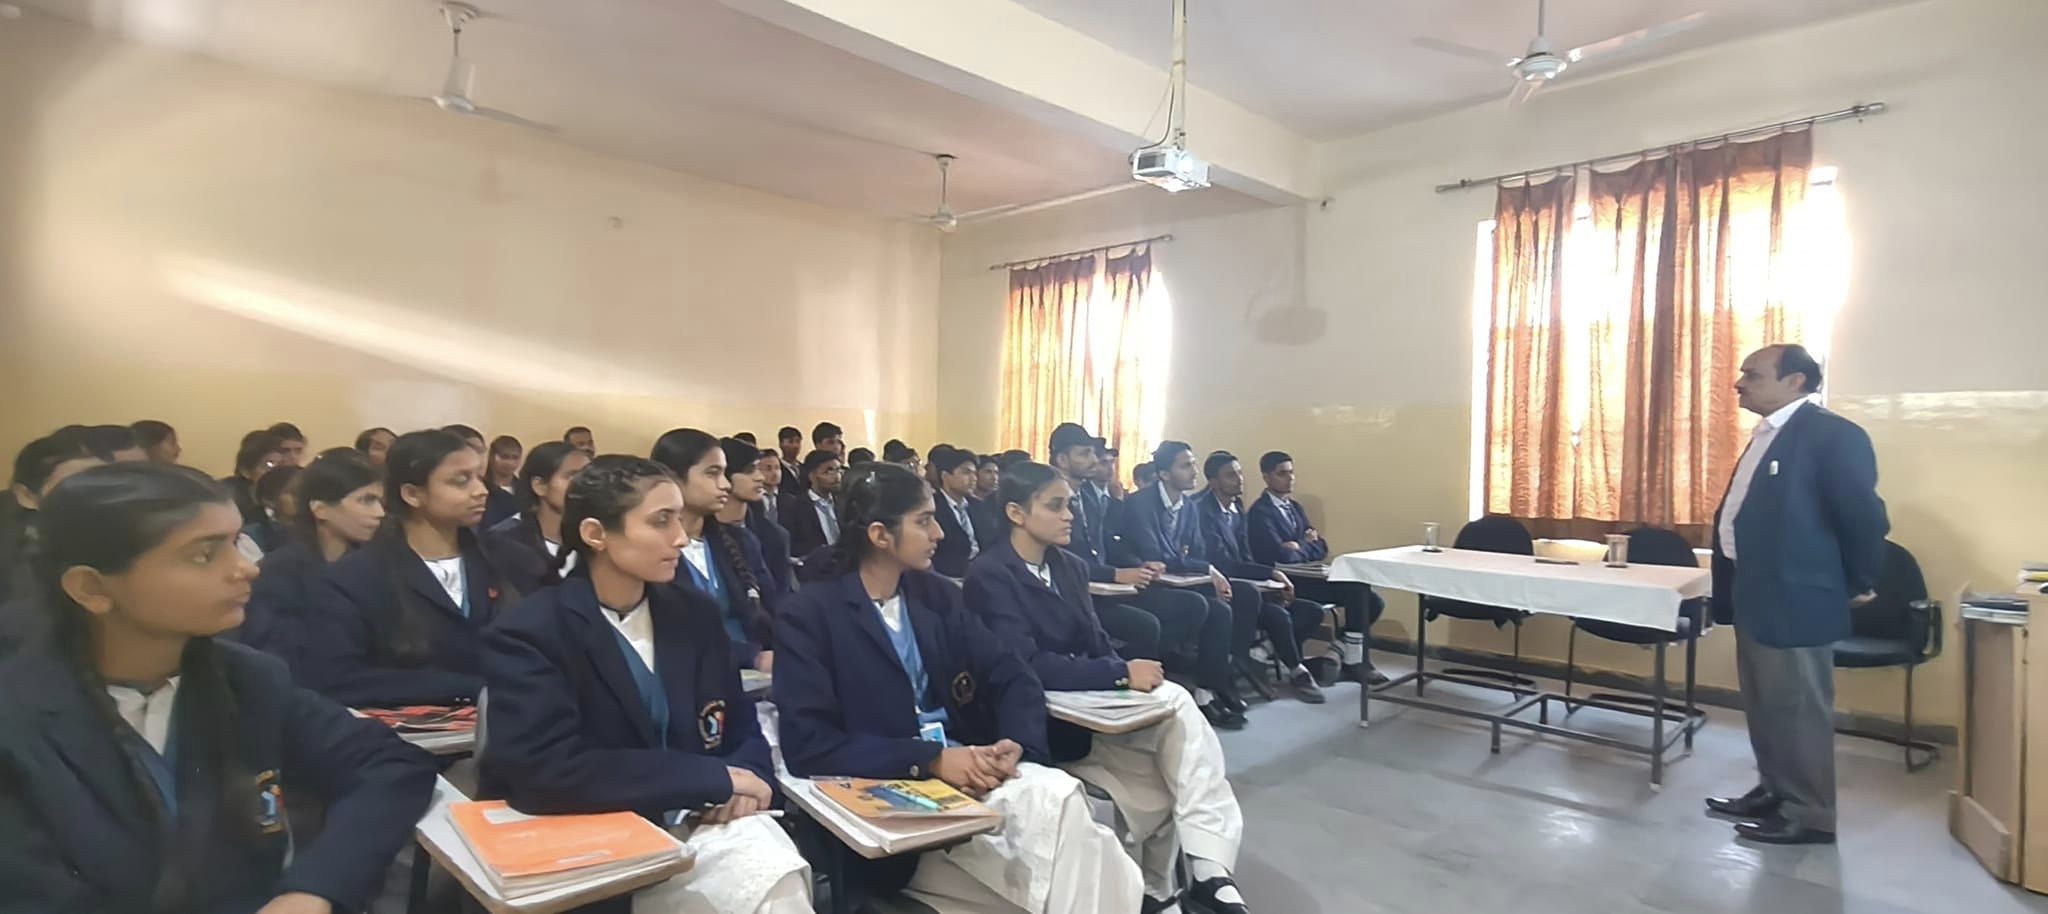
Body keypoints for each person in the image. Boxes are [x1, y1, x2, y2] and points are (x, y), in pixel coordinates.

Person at [0, 462, 435, 914]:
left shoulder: (249, 679)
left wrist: (314, 889)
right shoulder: (18, 715)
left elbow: (390, 765)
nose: (246, 569)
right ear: (91, 588)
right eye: (203, 555)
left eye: (235, 543)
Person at [776, 463, 1143, 912]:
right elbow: (809, 744)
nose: (940, 534)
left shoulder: (937, 597)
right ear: (879, 535)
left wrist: (1015, 743)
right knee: (1087, 855)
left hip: (970, 770)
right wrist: (929, 759)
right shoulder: (811, 615)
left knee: (1065, 805)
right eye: (924, 521)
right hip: (893, 789)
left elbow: (1013, 674)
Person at [479, 456, 810, 914]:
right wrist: (710, 778)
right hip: (593, 841)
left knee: (774, 873)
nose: (680, 537)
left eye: (679, 518)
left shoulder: (694, 615)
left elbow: (739, 727)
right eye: (660, 521)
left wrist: (744, 780)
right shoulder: (532, 631)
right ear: (595, 534)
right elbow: (544, 770)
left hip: (698, 823)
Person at [967, 461, 1248, 914]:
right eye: (1055, 506)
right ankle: (1177, 879)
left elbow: (1096, 642)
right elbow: (1024, 665)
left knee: (1176, 726)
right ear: (1016, 513)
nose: (1069, 515)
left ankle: (1199, 870)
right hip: (1038, 718)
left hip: (1087, 705)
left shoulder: (1070, 567)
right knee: (1162, 764)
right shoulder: (990, 574)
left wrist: (1118, 673)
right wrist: (1118, 675)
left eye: (1070, 505)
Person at [1705, 344, 1888, 846]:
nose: (1740, 383)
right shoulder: (1770, 433)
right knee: (1766, 703)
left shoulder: (1832, 435)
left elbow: (1864, 517)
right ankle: (1775, 791)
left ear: (1796, 381)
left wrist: (1859, 581)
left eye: (1753, 375)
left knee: (1799, 708)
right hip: (1755, 588)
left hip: (1797, 595)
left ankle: (1810, 814)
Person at [298, 429, 512, 708]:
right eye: (461, 481)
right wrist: (469, 687)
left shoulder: (501, 558)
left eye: (479, 477)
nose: (480, 491)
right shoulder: (355, 577)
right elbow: (339, 678)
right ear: (412, 494)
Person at [1049, 424, 1242, 728]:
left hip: (1104, 585)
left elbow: (1108, 547)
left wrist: (1135, 565)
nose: (1095, 460)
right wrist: (1119, 572)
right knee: (1150, 623)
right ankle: (1129, 680)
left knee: (1214, 608)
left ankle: (1206, 687)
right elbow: (1067, 560)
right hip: (1075, 592)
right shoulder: (1055, 499)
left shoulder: (1089, 498)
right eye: (1084, 453)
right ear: (1062, 460)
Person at [1194, 451, 1327, 704]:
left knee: (1311, 611)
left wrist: (1270, 582)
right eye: (1230, 475)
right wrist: (1269, 573)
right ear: (1213, 482)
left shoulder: (1237, 509)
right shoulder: (1203, 512)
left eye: (1240, 473)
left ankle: (1259, 654)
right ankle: (1295, 670)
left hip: (1250, 583)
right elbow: (1222, 562)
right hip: (1222, 586)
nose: (1239, 479)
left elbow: (1246, 555)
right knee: (1277, 615)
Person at [1247, 451, 1386, 685]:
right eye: (1282, 474)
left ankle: (1338, 651)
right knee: (1357, 593)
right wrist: (1305, 544)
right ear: (1267, 477)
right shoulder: (1260, 513)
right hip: (1286, 581)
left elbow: (1321, 547)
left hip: (1309, 574)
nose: (1290, 478)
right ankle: (1355, 661)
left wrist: (1298, 546)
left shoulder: (1295, 507)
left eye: (1291, 472)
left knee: (1371, 600)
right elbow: (1280, 555)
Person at [650, 430, 779, 673]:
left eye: (724, 473)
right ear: (672, 478)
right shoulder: (652, 552)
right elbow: (666, 635)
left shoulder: (739, 542)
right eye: (712, 473)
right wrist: (751, 657)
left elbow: (771, 611)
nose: (725, 484)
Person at [236, 452, 382, 655]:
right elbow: (275, 648)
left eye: (380, 502)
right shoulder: (278, 572)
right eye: (366, 500)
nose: (379, 512)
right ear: (320, 509)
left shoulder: (377, 563)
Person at [483, 441, 591, 596]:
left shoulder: (592, 540)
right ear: (539, 486)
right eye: (572, 476)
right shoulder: (506, 541)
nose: (583, 486)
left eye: (588, 478)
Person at [720, 438, 796, 596]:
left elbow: (780, 598)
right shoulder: (701, 534)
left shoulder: (774, 536)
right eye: (749, 470)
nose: (760, 477)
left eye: (758, 469)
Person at [929, 446, 990, 579]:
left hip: (980, 573)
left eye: (975, 473)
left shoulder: (978, 506)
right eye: (966, 472)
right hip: (946, 576)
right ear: (945, 476)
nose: (974, 478)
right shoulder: (932, 506)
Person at [780, 450, 844, 559]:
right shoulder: (795, 506)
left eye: (838, 470)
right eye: (829, 471)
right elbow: (791, 545)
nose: (837, 476)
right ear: (812, 476)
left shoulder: (844, 503)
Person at [223, 431, 287, 527]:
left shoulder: (287, 495)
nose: (277, 471)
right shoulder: (229, 501)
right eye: (269, 465)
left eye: (282, 464)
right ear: (246, 471)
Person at [241, 464, 302, 557]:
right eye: (294, 493)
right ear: (269, 500)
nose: (302, 498)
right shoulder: (253, 536)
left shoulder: (319, 528)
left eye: (308, 491)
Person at [483, 435, 524, 528]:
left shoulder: (525, 489)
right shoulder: (482, 489)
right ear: (491, 457)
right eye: (504, 457)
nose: (510, 463)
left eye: (515, 457)